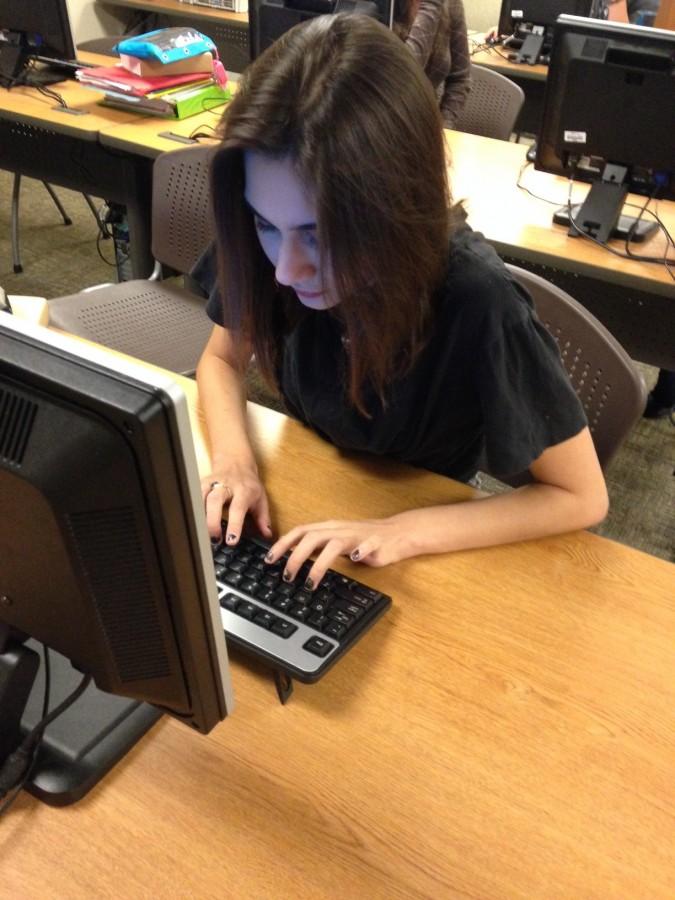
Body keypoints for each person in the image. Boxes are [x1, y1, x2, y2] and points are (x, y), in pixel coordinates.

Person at [195, 13, 608, 591]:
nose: (286, 270)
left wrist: (400, 532)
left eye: (318, 234)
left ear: (394, 204)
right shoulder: (269, 242)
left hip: (421, 546)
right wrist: (235, 464)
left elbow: (581, 497)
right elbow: (219, 360)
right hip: (312, 486)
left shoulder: (477, 300)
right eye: (267, 225)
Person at [393, 0, 471, 128]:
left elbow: (460, 79)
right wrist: (431, 5)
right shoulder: (383, 6)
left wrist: (444, 125)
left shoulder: (451, 4)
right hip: (382, 126)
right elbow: (401, 81)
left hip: (425, 125)